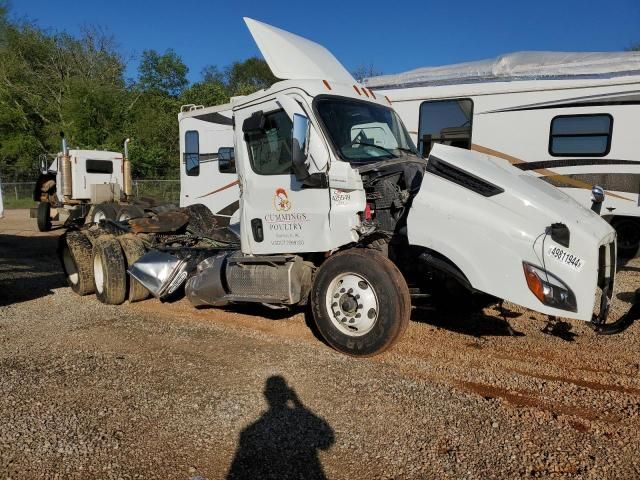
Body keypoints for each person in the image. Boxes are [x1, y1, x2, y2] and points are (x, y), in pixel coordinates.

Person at [226, 375, 335, 479]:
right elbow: (327, 440)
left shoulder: (252, 432)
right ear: (287, 395)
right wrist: (299, 405)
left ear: (266, 395)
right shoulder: (302, 423)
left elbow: (236, 474)